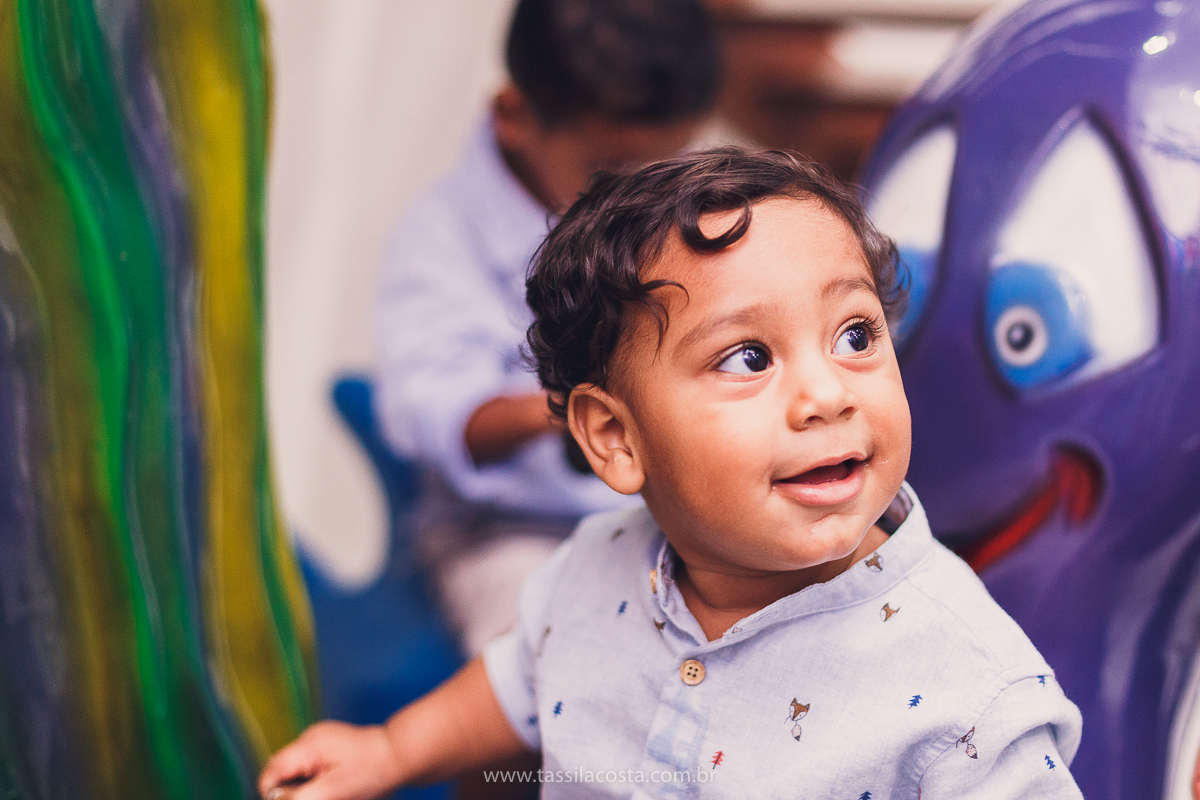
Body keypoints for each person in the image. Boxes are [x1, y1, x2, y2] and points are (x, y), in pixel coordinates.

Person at [264, 148, 1085, 799]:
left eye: (857, 335)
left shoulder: (968, 690)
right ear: (616, 438)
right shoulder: (596, 566)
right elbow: (520, 676)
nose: (829, 393)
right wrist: (391, 750)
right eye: (749, 356)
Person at [375, 0, 721, 656]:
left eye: (671, 165)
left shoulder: (687, 204)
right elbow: (439, 415)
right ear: (513, 117)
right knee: (531, 656)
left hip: (677, 513)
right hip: (515, 532)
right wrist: (576, 408)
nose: (644, 198)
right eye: (609, 173)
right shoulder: (440, 238)